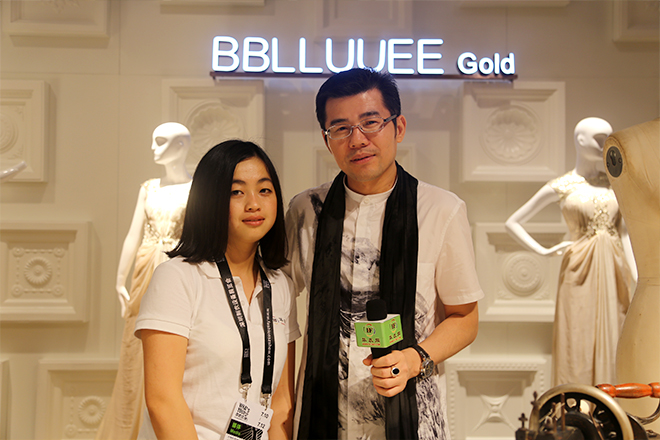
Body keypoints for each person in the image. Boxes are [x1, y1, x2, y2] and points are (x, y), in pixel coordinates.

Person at [285, 68, 484, 440]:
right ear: (327, 140)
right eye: (341, 128)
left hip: (412, 419)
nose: (357, 139)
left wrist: (413, 359)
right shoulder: (305, 211)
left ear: (398, 127)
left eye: (370, 122)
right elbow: (275, 308)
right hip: (322, 417)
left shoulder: (440, 210)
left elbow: (464, 318)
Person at [134, 140, 300, 440]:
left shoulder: (280, 286)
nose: (253, 203)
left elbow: (281, 403)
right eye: (236, 192)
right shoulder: (177, 278)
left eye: (264, 190)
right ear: (210, 199)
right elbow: (163, 402)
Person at [505, 117, 636, 387]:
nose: (605, 144)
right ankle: (579, 405)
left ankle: (614, 404)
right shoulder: (563, 185)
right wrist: (544, 251)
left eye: (608, 138)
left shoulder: (616, 184)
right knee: (577, 336)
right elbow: (513, 222)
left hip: (616, 268)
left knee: (618, 331)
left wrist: (637, 276)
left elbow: (624, 232)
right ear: (580, 140)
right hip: (579, 268)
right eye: (599, 138)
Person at [96, 122, 193, 440]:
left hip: (179, 268)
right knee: (136, 348)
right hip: (145, 271)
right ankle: (133, 428)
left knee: (175, 347)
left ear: (182, 145)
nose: (153, 147)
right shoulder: (149, 188)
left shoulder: (197, 188)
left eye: (161, 141)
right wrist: (119, 279)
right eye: (153, 141)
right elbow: (132, 235)